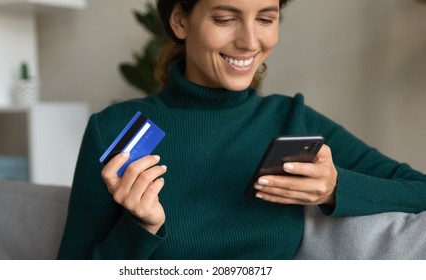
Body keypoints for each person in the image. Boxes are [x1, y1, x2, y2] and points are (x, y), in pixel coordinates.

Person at [57, 0, 426, 259]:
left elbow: (419, 189)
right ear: (180, 21)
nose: (250, 41)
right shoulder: (114, 129)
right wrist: (141, 228)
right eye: (225, 19)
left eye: (265, 19)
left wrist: (334, 188)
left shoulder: (291, 120)